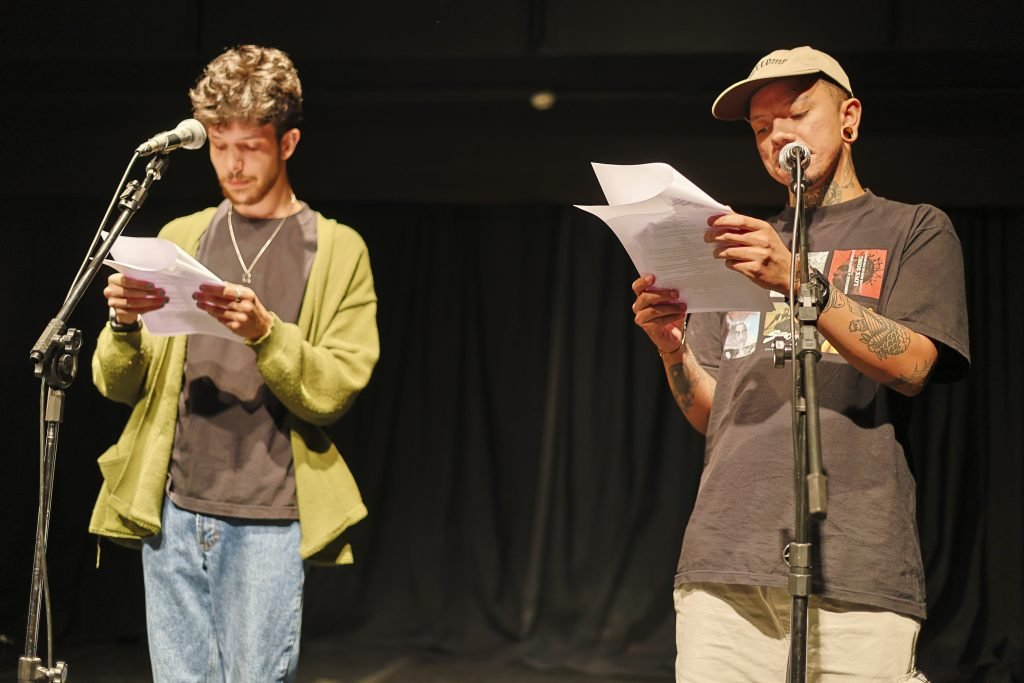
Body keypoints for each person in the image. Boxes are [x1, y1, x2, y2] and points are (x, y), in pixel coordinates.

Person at [631, 46, 969, 681]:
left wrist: (797, 278)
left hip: (857, 563)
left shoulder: (914, 229)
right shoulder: (739, 246)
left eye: (796, 114)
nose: (778, 135)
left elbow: (915, 366)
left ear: (849, 118)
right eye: (762, 127)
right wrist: (672, 346)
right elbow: (713, 414)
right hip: (725, 561)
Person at [90, 45, 379, 682]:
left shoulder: (336, 249)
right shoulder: (181, 237)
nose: (232, 164)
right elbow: (118, 385)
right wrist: (123, 324)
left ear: (288, 143)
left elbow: (335, 390)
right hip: (172, 511)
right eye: (219, 145)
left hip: (268, 520)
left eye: (249, 146)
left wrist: (266, 334)